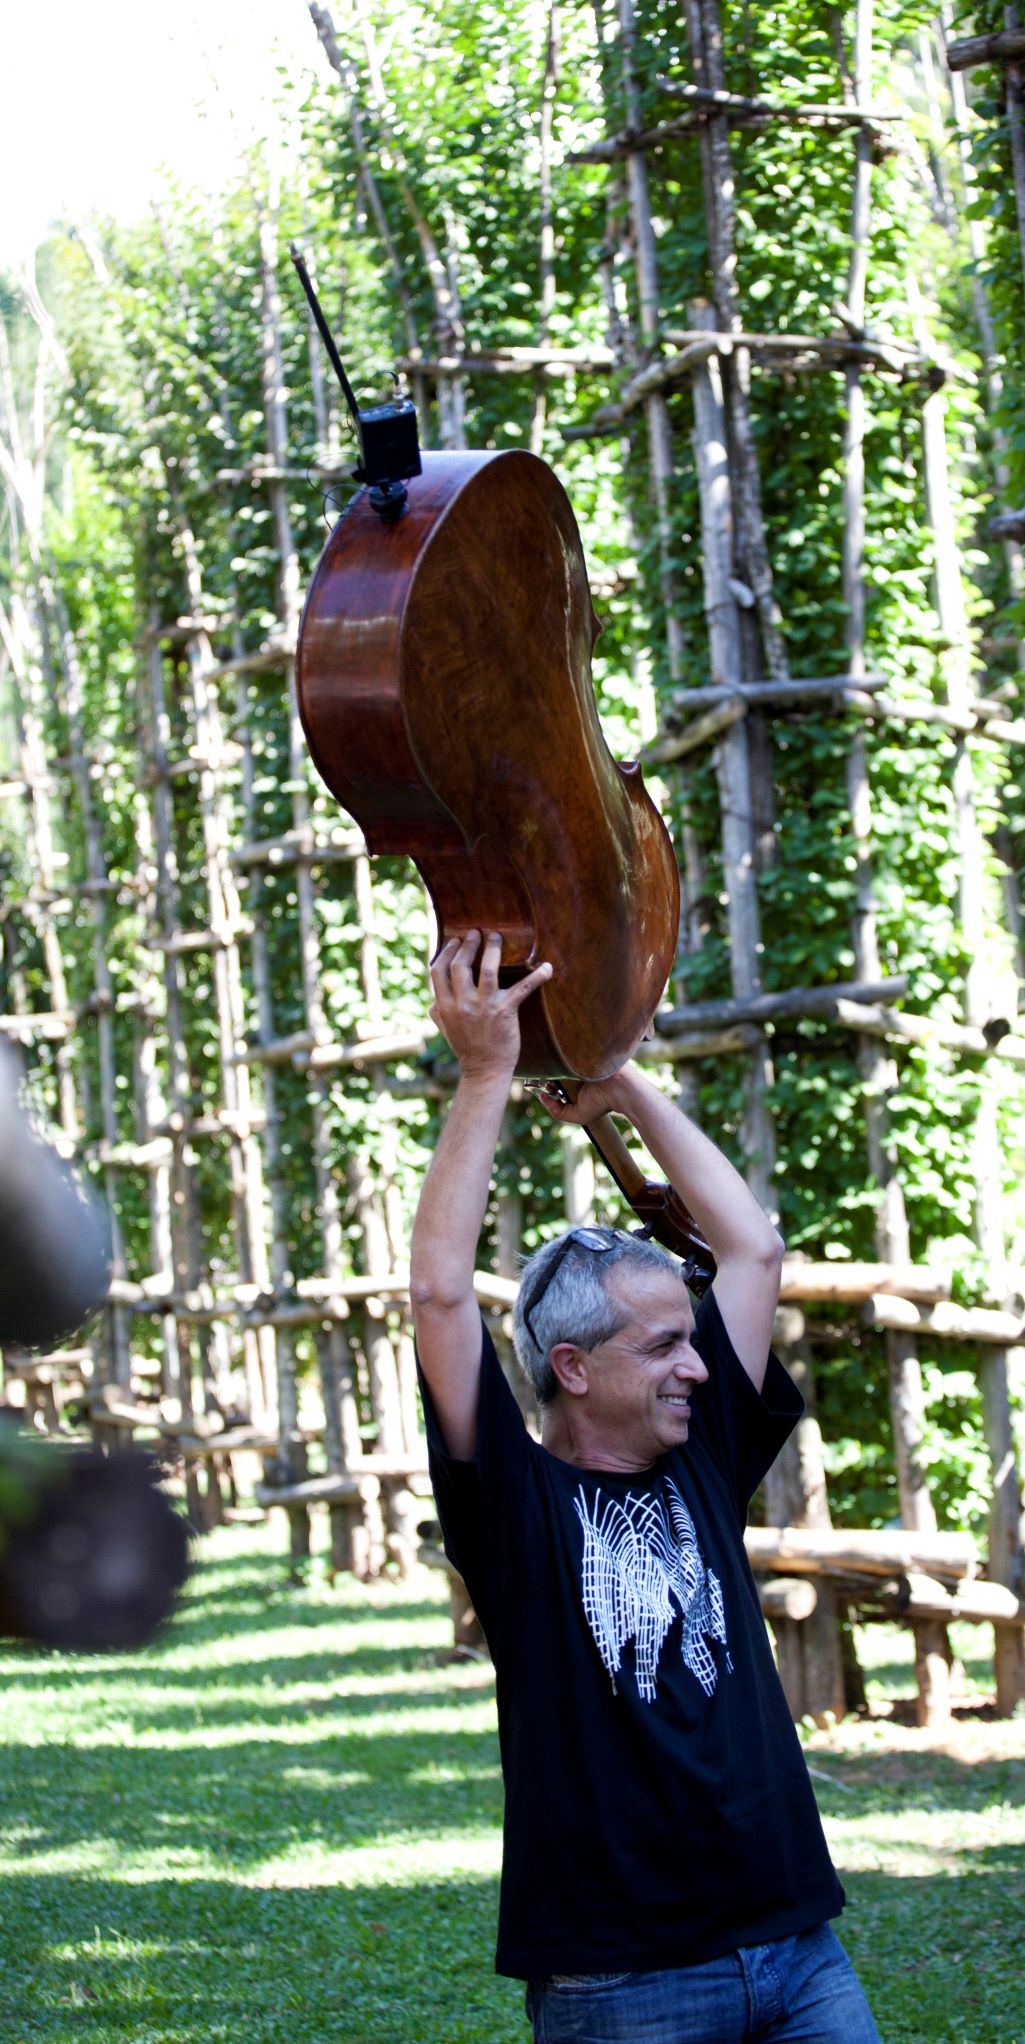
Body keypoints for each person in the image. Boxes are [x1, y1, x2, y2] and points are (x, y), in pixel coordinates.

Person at [410, 930, 880, 2044]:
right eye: (664, 1343)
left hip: (797, 1946)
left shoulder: (700, 1450)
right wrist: (484, 1075)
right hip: (621, 1981)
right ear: (572, 1368)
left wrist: (618, 1079)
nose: (699, 1363)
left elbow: (753, 1250)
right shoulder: (513, 1505)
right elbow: (437, 1298)